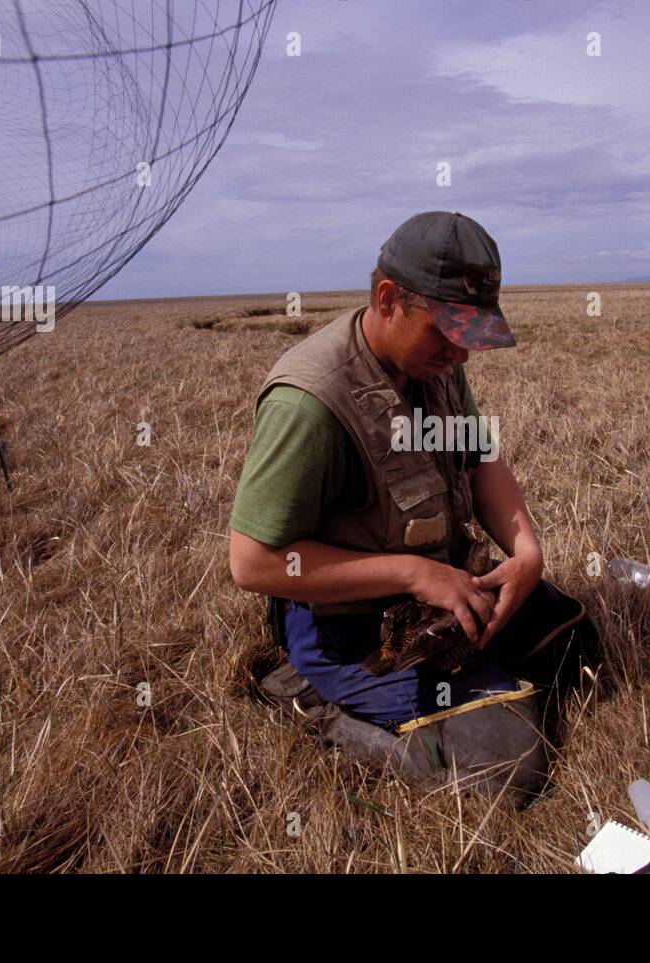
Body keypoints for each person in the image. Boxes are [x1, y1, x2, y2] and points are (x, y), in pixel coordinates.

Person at [228, 211, 598, 802]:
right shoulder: (310, 402)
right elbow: (253, 564)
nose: (462, 355)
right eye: (447, 331)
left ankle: (480, 684)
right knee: (510, 769)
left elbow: (479, 459)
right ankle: (311, 696)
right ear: (388, 299)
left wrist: (527, 551)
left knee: (577, 642)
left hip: (442, 592)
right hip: (350, 626)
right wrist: (414, 573)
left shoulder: (434, 367)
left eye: (470, 334)